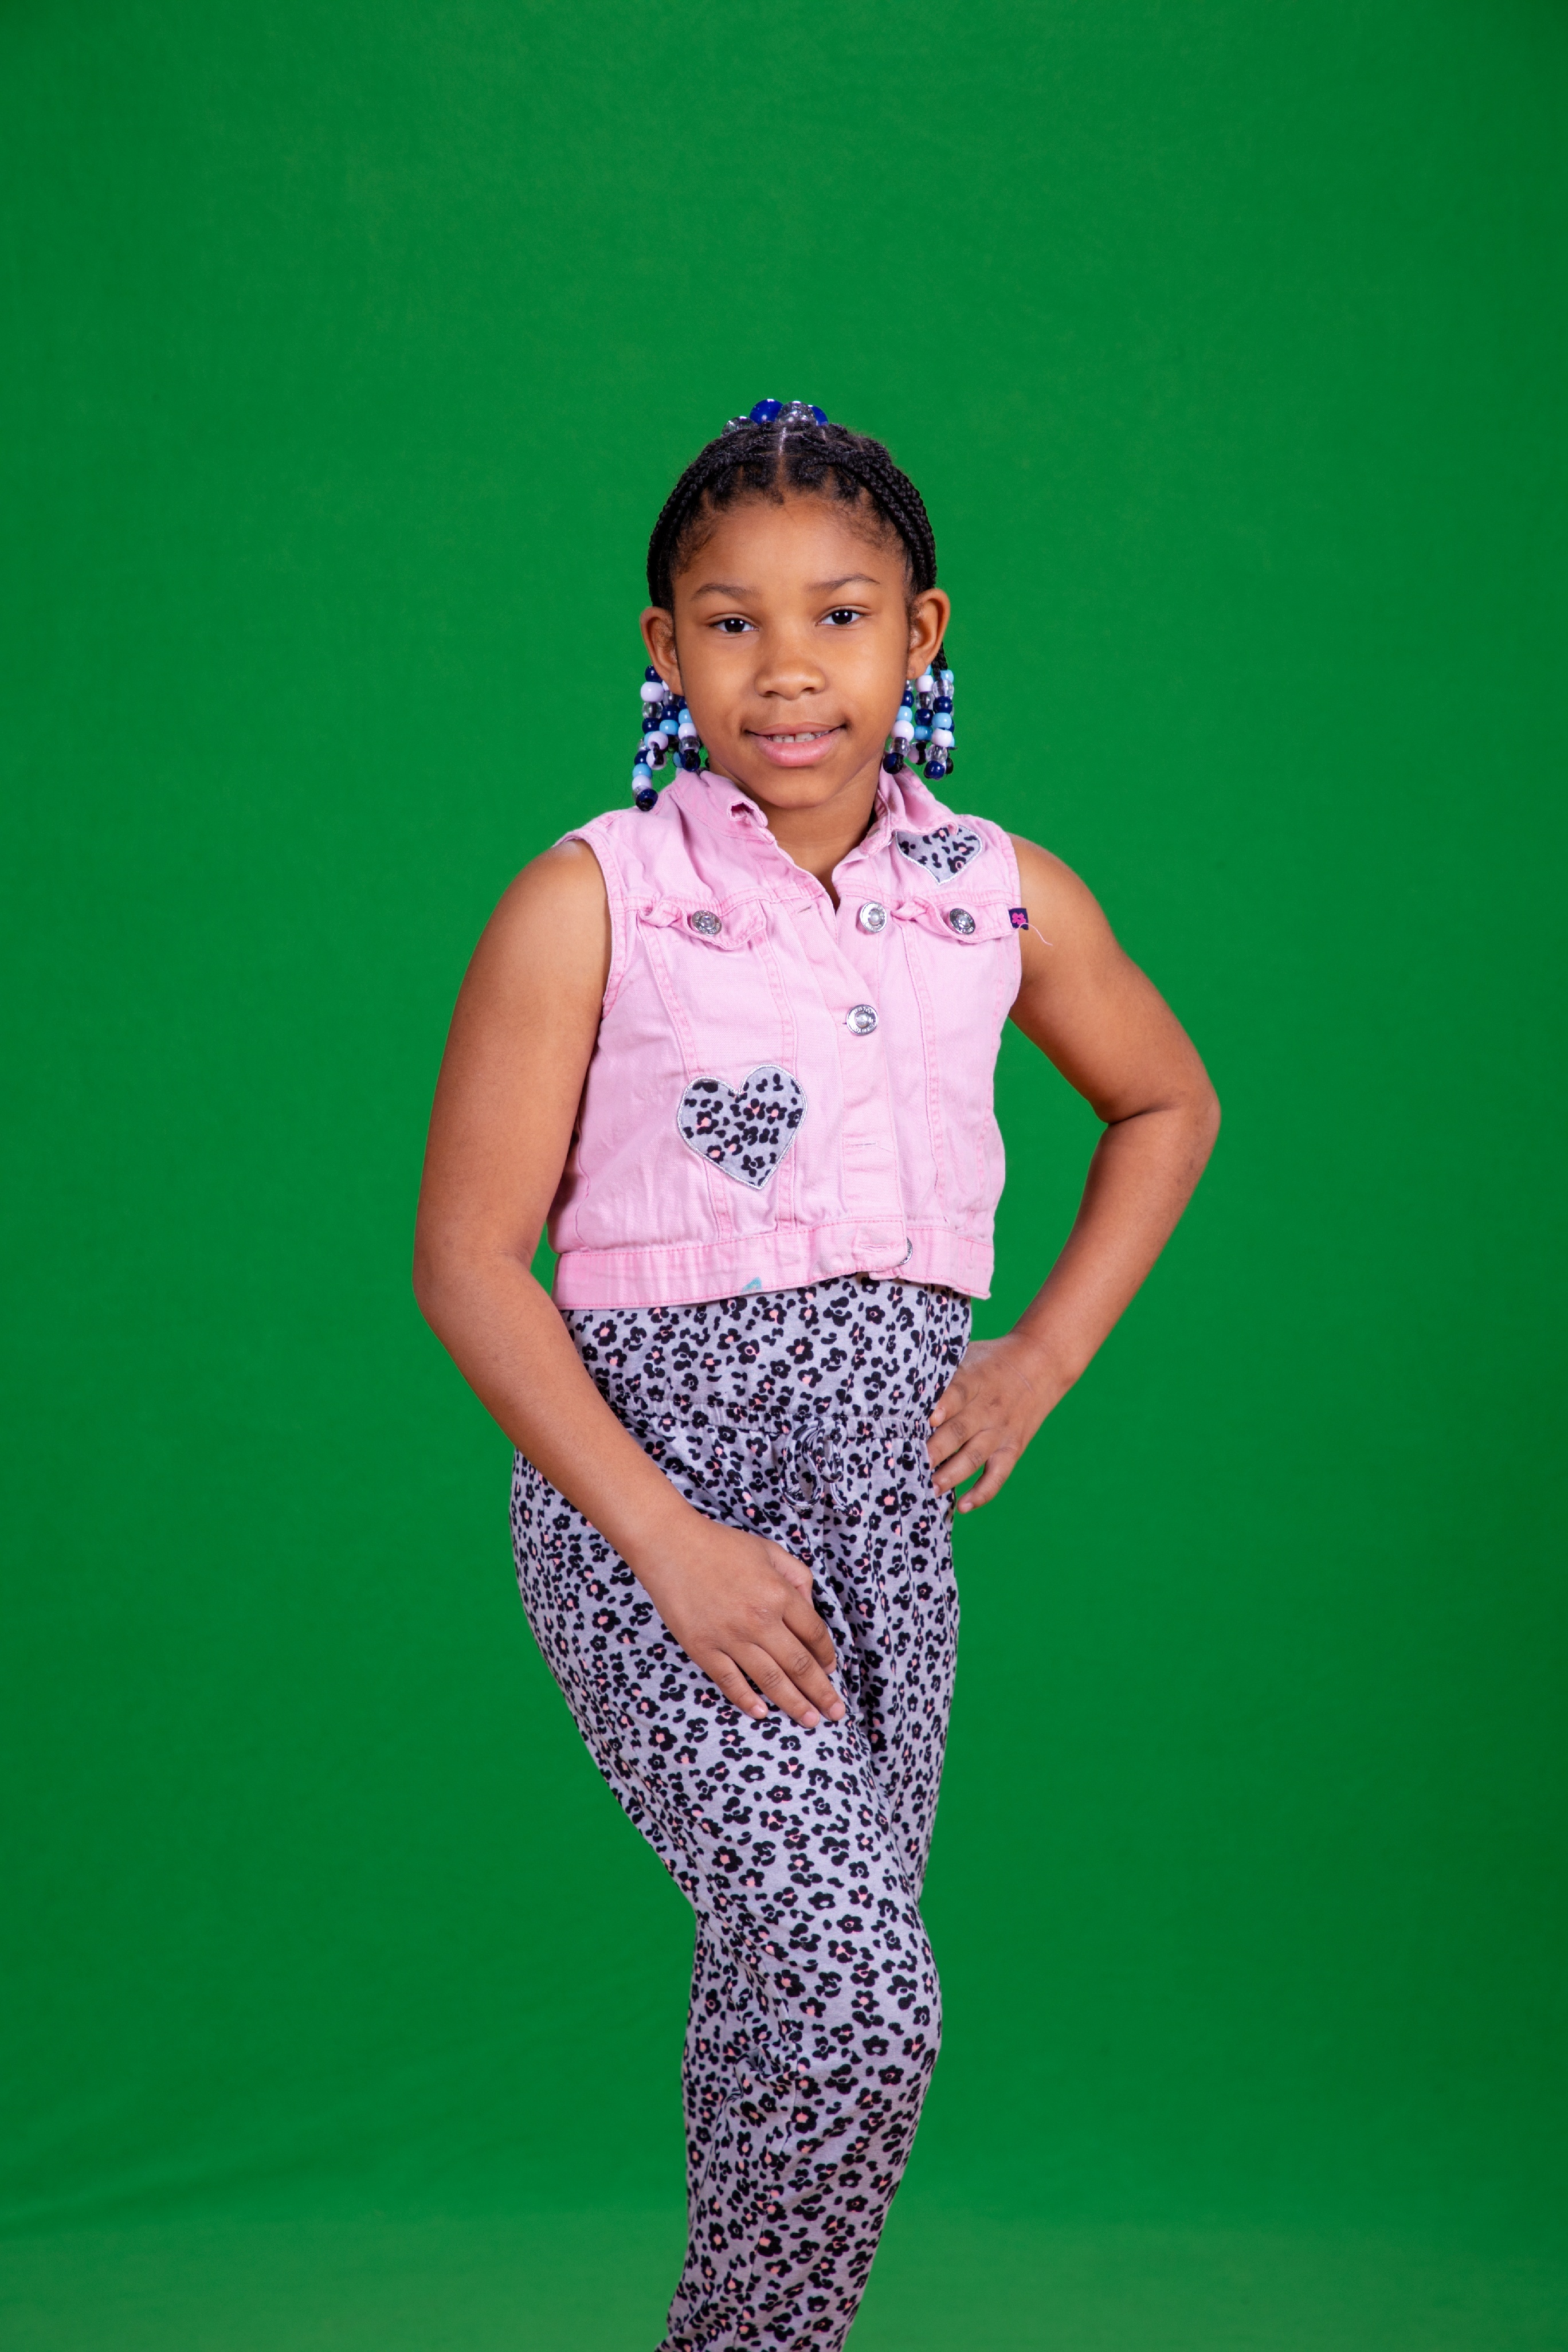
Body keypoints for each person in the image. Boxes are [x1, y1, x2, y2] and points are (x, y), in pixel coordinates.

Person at [413, 398, 1219, 2351]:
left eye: (840, 616)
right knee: (861, 1994)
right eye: (732, 622)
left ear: (920, 635)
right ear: (663, 647)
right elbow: (466, 1262)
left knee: (786, 2009)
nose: (788, 670)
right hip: (652, 1518)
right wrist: (668, 1543)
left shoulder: (997, 895)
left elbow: (1168, 1101)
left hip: (882, 1535)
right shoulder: (592, 898)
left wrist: (1039, 1357)